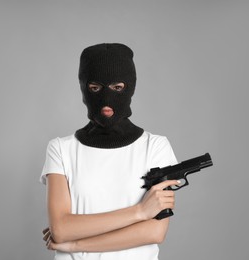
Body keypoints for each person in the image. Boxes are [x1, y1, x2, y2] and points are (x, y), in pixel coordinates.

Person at [40, 43, 180, 260]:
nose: (106, 98)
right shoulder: (61, 149)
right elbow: (60, 229)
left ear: (130, 86)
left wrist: (76, 244)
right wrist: (140, 212)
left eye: (117, 88)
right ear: (84, 88)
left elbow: (154, 231)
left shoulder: (155, 147)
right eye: (95, 88)